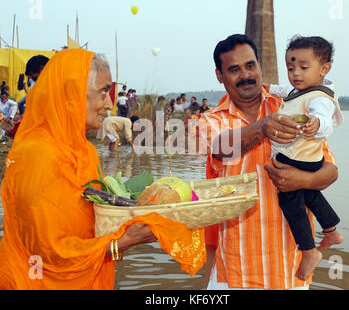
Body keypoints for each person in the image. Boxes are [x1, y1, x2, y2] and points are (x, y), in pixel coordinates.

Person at [0, 49, 205, 289]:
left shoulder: (83, 150)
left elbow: (91, 222)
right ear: (71, 94)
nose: (109, 104)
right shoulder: (38, 154)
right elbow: (47, 252)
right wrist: (125, 241)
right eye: (103, 91)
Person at [198, 34, 339, 290]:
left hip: (290, 270)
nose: (246, 75)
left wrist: (304, 180)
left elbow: (329, 171)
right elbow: (220, 148)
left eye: (251, 65)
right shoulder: (210, 120)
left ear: (260, 66)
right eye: (234, 69)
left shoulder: (294, 106)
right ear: (220, 75)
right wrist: (263, 128)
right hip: (235, 272)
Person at [263, 35, 344, 280]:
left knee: (289, 201)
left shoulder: (319, 97)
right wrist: (265, 87)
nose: (295, 73)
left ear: (324, 69)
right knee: (309, 193)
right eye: (290, 67)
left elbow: (326, 122)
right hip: (308, 159)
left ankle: (308, 251)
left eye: (303, 67)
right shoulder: (297, 89)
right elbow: (280, 90)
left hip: (296, 158)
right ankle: (331, 230)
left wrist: (315, 123)